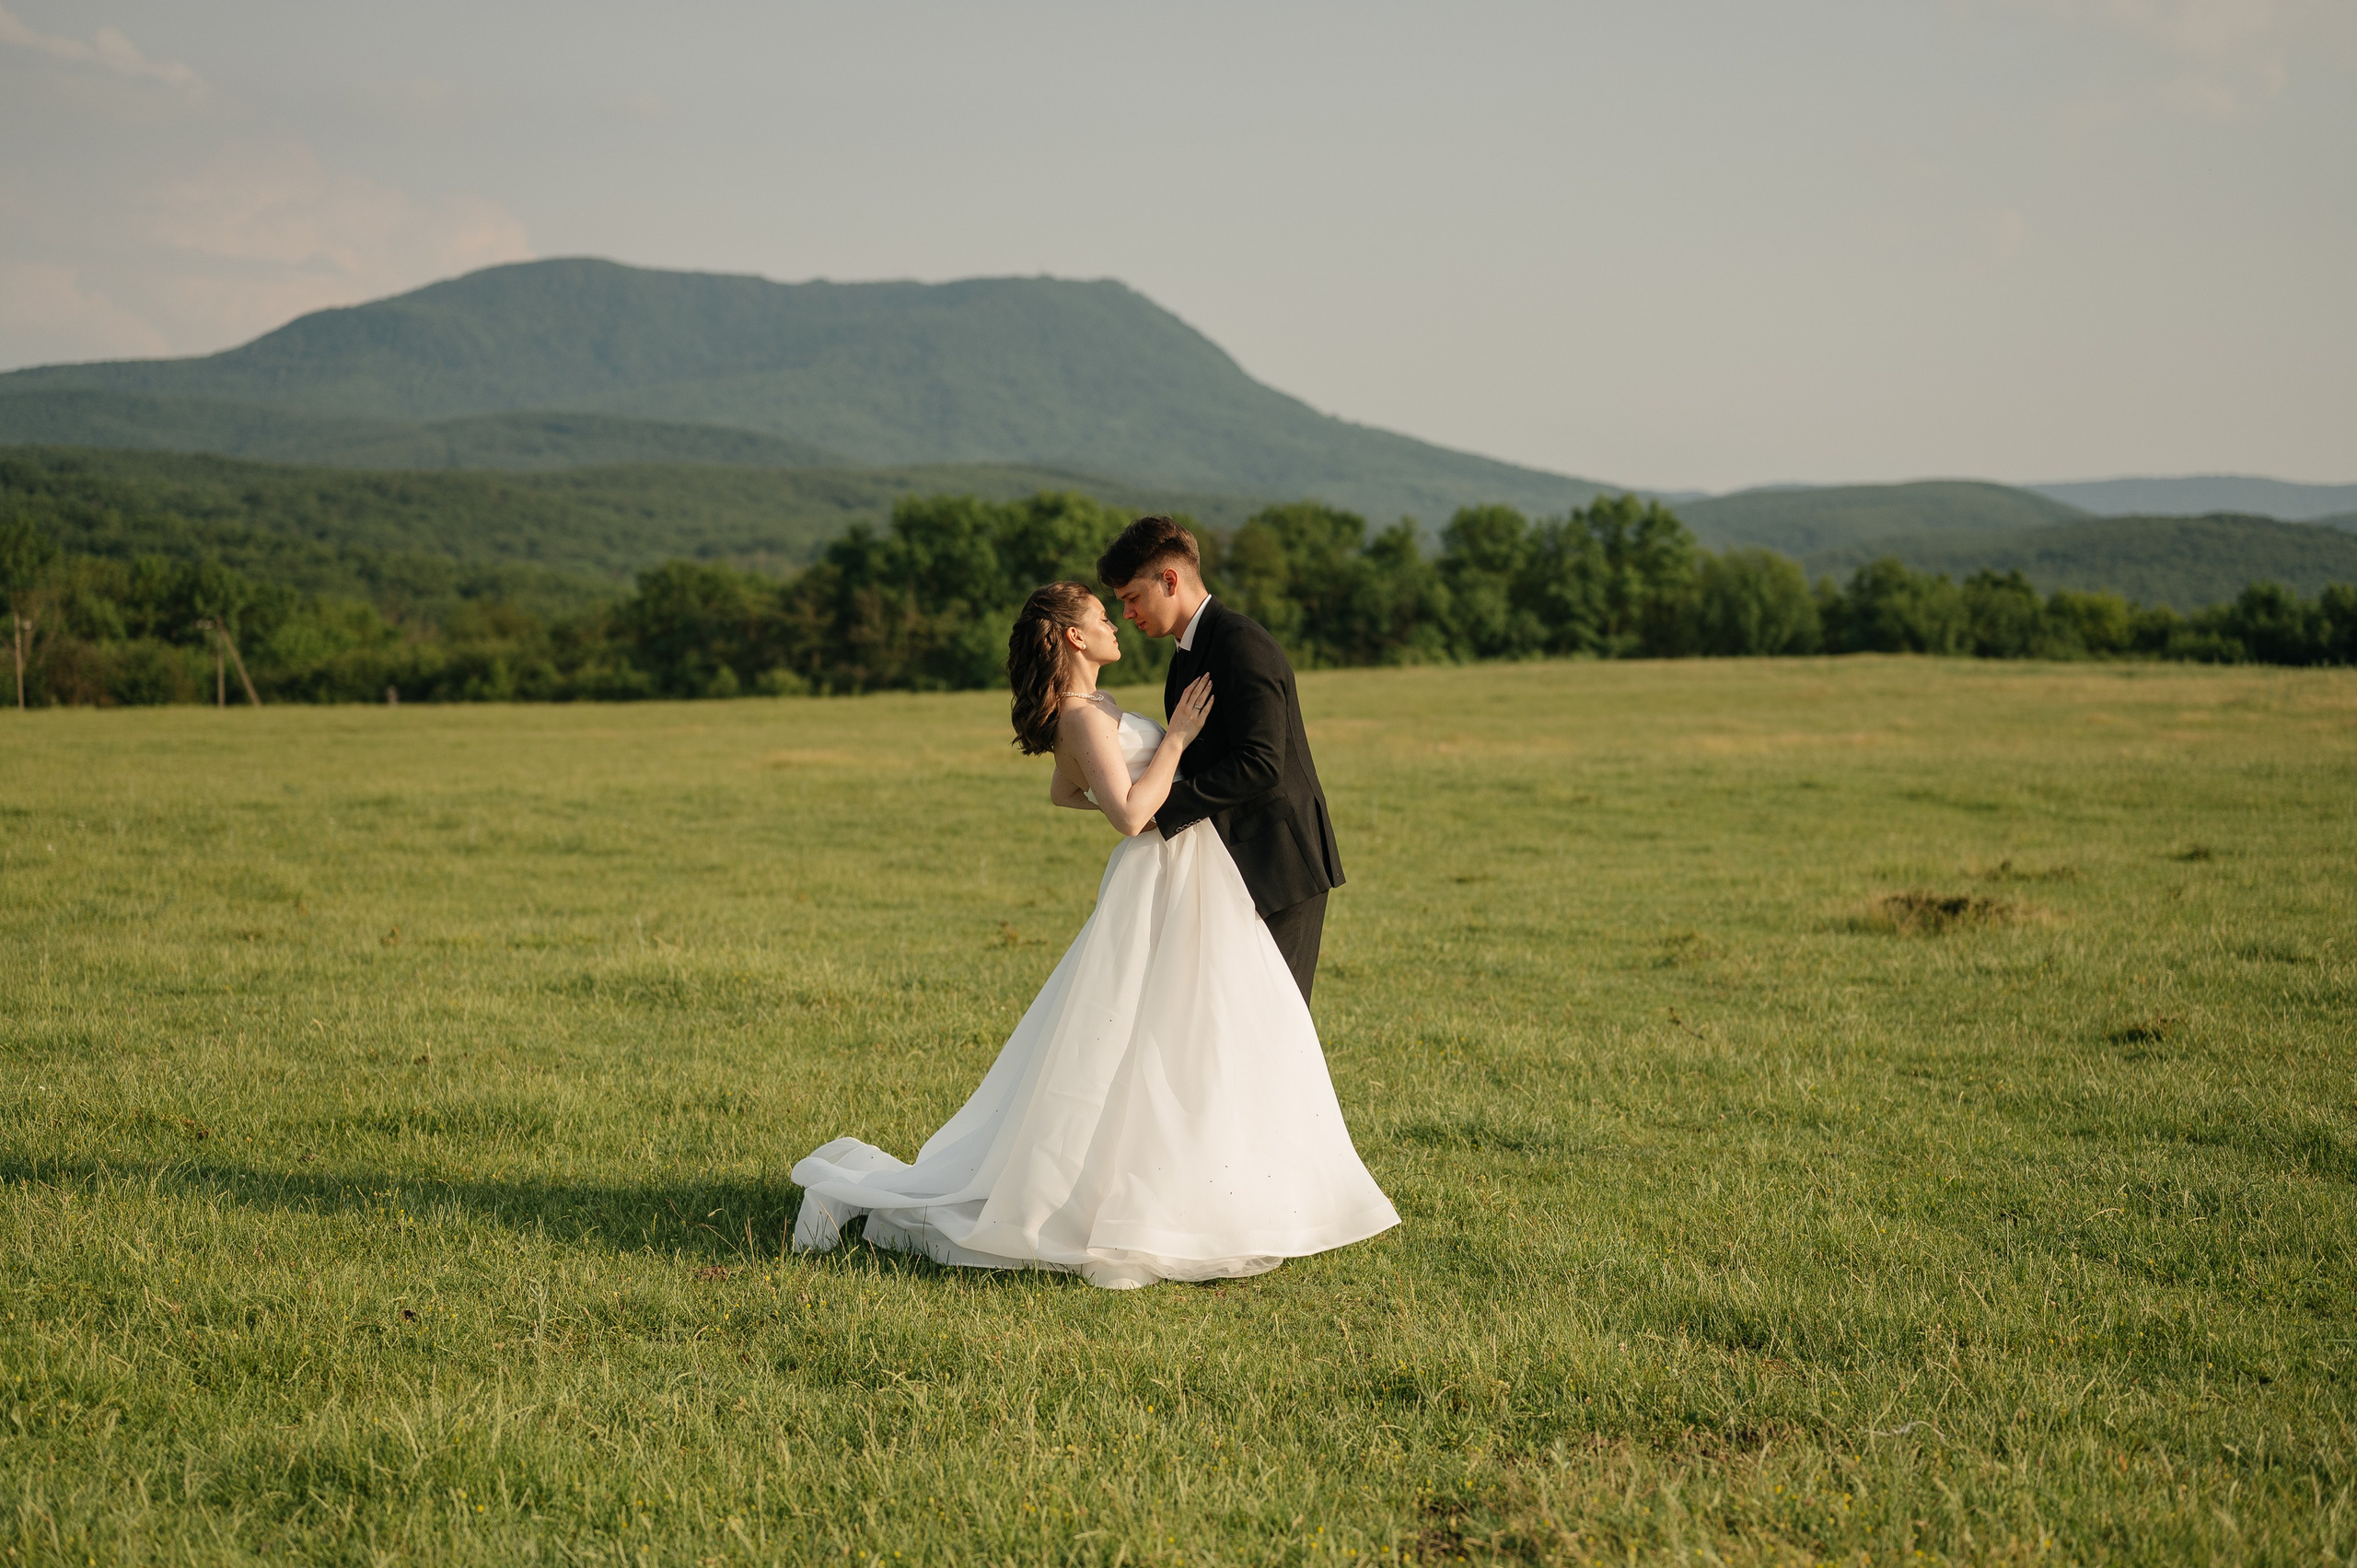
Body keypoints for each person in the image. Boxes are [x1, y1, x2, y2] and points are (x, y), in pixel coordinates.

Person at [789, 574, 1398, 1289]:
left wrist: (1146, 782)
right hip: (1162, 870)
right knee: (1154, 1031)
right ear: (1075, 636)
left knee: (1200, 1027)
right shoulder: (1080, 714)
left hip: (1189, 870)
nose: (1118, 624)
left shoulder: (1093, 707)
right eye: (1104, 616)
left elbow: (1063, 792)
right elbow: (1133, 813)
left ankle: (1223, 1183)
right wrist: (1172, 741)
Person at [1097, 515, 1344, 1002]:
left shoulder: (1241, 644)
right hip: (1232, 861)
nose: (1126, 614)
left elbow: (1261, 762)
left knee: (1274, 1021)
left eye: (1131, 598)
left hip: (1279, 864)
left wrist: (1161, 809)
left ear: (1169, 581)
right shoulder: (1185, 655)